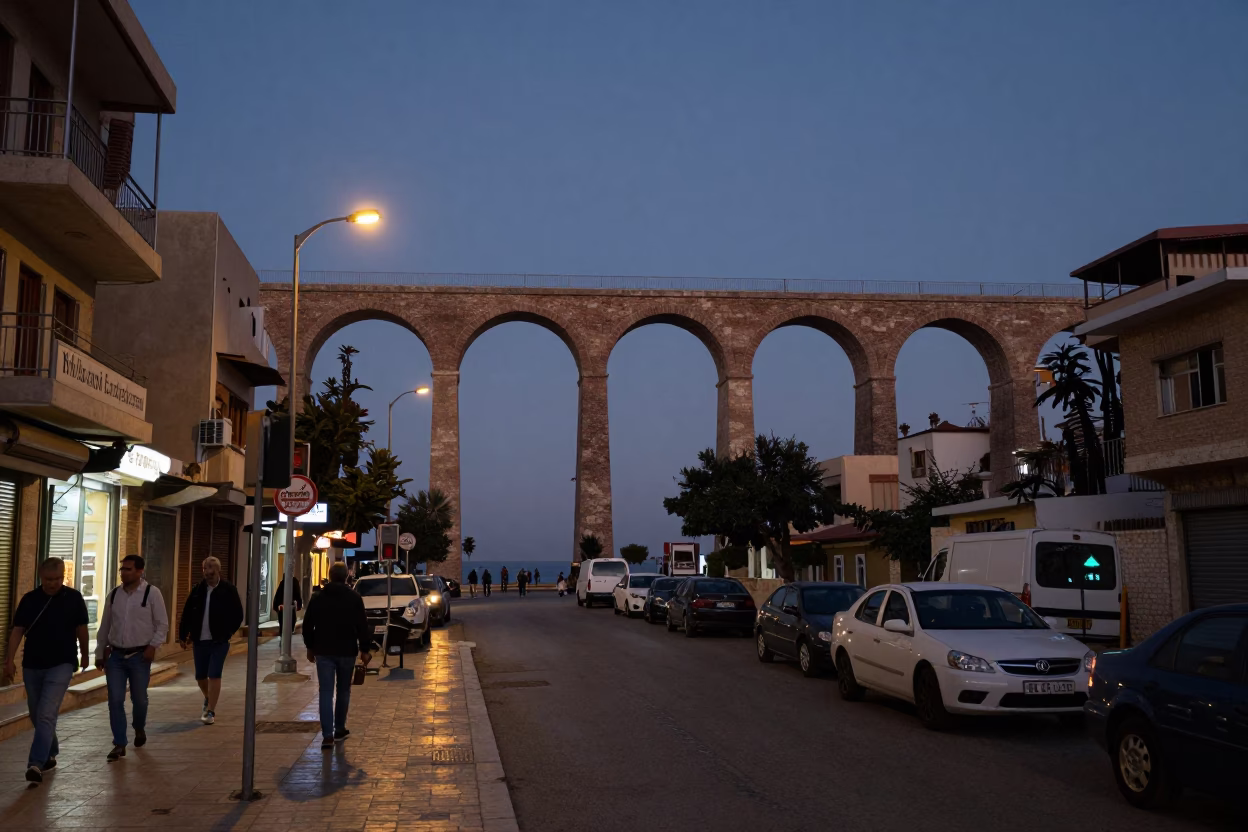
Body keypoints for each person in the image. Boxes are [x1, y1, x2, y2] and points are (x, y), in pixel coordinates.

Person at [3, 557, 89, 784]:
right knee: (36, 712)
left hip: (62, 663)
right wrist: (9, 660)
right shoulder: (30, 599)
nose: (53, 583)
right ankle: (51, 750)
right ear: (41, 577)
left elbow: (82, 627)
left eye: (58, 579)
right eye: (49, 579)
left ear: (64, 576)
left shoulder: (74, 598)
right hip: (32, 664)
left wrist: (86, 654)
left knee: (47, 713)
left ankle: (35, 763)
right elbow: (17, 630)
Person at [95, 554, 168, 762]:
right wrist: (100, 652)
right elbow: (105, 625)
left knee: (139, 698)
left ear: (139, 571)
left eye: (128, 569)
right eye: (122, 569)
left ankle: (139, 727)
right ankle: (119, 743)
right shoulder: (114, 595)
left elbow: (162, 624)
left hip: (139, 656)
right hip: (116, 656)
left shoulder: (151, 594)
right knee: (115, 699)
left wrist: (153, 646)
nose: (123, 573)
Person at [302, 562, 371, 749]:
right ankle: (339, 728)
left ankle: (327, 735)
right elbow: (362, 625)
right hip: (347, 650)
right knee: (343, 691)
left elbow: (308, 625)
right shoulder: (354, 598)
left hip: (323, 650)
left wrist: (310, 646)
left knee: (325, 692)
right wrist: (365, 649)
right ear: (346, 577)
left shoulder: (318, 597)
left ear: (330, 576)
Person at [177, 556, 243, 726]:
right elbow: (187, 613)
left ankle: (210, 710)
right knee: (200, 676)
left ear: (218, 571)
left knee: (214, 674)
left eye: (211, 569)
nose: (208, 572)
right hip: (200, 640)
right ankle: (208, 697)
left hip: (219, 641)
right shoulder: (198, 590)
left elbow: (238, 614)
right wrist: (183, 634)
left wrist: (228, 632)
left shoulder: (228, 590)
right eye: (205, 569)